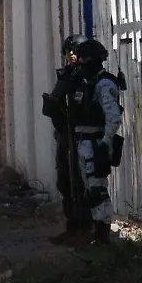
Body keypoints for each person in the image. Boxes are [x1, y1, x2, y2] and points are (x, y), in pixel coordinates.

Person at [67, 38, 123, 245]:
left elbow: (113, 117)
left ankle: (103, 234)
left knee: (97, 188)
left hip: (95, 142)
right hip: (84, 142)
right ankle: (97, 231)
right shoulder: (87, 82)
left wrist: (104, 142)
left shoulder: (104, 83)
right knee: (90, 189)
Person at [42, 35, 92, 245]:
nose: (71, 55)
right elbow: (54, 104)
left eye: (75, 50)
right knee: (65, 181)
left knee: (81, 182)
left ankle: (86, 228)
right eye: (68, 51)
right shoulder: (66, 76)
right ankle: (72, 226)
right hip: (65, 134)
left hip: (82, 135)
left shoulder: (90, 77)